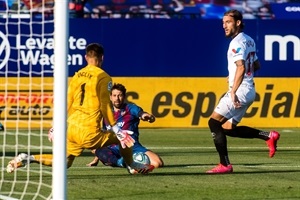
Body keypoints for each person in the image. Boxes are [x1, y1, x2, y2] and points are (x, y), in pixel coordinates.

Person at [6, 43, 154, 175]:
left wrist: (56, 126)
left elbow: (66, 101)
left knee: (64, 163)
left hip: (72, 129)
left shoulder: (77, 76)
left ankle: (29, 158)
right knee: (125, 140)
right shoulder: (103, 77)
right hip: (89, 131)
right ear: (102, 57)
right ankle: (132, 165)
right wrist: (116, 129)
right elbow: (104, 105)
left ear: (85, 57)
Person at [206, 9, 280, 174]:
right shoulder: (249, 40)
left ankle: (224, 164)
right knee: (227, 128)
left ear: (238, 22)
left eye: (228, 22)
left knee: (213, 123)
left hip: (240, 90)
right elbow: (256, 65)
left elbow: (240, 66)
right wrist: (232, 74)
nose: (224, 26)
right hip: (249, 90)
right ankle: (268, 136)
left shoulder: (236, 43)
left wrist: (233, 90)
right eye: (223, 23)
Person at [87, 83, 164, 170]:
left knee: (157, 163)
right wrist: (97, 158)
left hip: (131, 146)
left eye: (120, 95)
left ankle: (129, 162)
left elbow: (141, 114)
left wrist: (148, 117)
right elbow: (104, 134)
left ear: (124, 96)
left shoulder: (130, 108)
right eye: (114, 95)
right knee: (94, 147)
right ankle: (122, 163)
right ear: (110, 97)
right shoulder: (105, 112)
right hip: (112, 149)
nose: (117, 98)